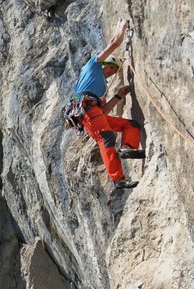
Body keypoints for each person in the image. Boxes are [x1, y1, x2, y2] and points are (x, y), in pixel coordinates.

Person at [70, 19, 144, 189]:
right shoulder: (92, 66)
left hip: (93, 110)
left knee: (131, 125)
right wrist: (122, 28)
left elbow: (103, 111)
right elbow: (114, 43)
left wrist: (118, 96)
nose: (110, 72)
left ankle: (127, 148)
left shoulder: (100, 86)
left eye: (113, 71)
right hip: (85, 108)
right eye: (110, 67)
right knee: (107, 137)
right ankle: (117, 179)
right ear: (104, 64)